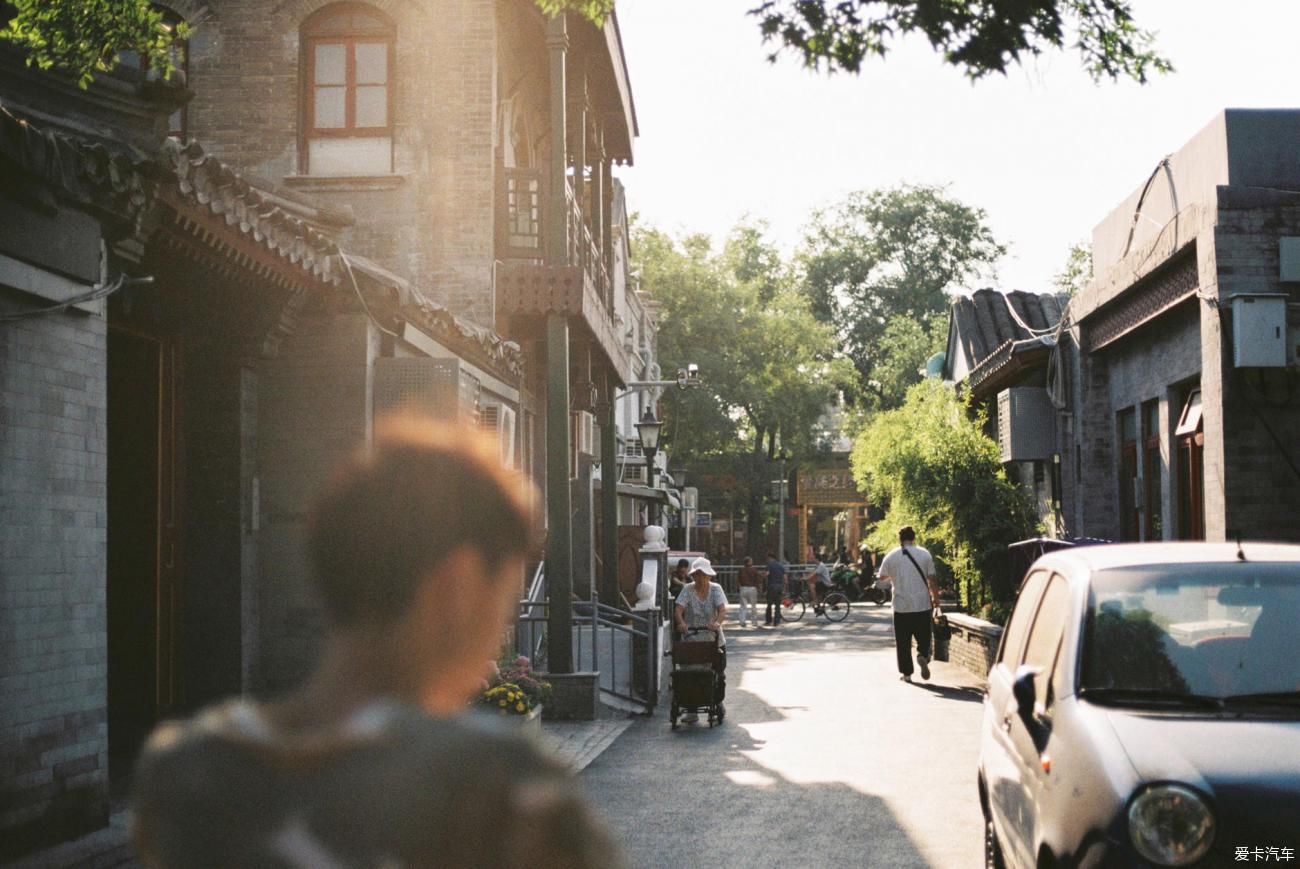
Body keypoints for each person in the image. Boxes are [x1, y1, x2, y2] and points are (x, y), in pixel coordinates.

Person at [131, 416, 623, 868]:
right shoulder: (504, 787)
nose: (501, 627)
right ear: (458, 583)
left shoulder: (183, 773)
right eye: (504, 598)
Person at [877, 525, 940, 683]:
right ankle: (922, 655)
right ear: (914, 538)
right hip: (922, 605)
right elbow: (932, 579)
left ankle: (907, 674)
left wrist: (895, 576)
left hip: (901, 606)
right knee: (924, 637)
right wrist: (936, 601)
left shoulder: (892, 556)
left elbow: (882, 577)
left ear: (900, 539)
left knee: (903, 642)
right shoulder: (924, 554)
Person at [674, 556, 727, 722]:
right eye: (696, 574)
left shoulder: (716, 589)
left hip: (712, 638)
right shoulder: (687, 589)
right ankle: (691, 709)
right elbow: (679, 609)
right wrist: (681, 623)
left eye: (703, 574)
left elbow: (722, 609)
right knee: (689, 674)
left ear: (709, 576)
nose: (700, 577)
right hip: (692, 639)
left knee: (718, 672)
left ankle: (717, 701)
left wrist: (717, 623)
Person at [737, 556, 761, 627]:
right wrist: (759, 587)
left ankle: (742, 621)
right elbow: (758, 579)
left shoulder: (741, 570)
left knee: (743, 606)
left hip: (743, 588)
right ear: (749, 562)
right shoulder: (754, 570)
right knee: (753, 606)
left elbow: (738, 579)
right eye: (751, 561)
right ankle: (754, 621)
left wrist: (739, 587)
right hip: (752, 588)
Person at [764, 552, 787, 626]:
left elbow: (767, 574)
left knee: (769, 604)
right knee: (777, 604)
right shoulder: (781, 566)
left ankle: (768, 620)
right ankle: (776, 621)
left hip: (771, 586)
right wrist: (784, 587)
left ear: (770, 558)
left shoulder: (769, 565)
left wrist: (763, 578)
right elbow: (785, 578)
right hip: (779, 586)